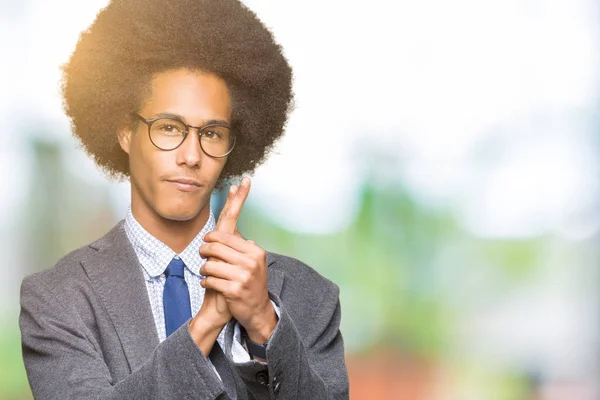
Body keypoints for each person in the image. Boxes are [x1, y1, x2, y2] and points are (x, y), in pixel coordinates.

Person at [18, 0, 349, 398]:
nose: (191, 156)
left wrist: (264, 321)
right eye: (169, 127)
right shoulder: (58, 299)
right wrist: (207, 321)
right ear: (125, 132)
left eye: (211, 133)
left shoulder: (309, 296)